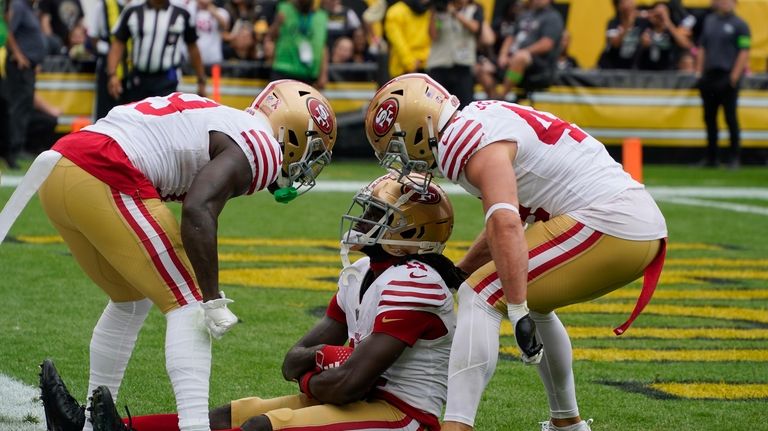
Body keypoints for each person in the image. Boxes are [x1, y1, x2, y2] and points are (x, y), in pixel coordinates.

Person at [7, 80, 337, 431]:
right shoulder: (263, 145)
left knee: (130, 299)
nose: (307, 165)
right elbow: (198, 209)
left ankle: (91, 424)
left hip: (61, 166)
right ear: (293, 133)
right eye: (312, 152)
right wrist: (211, 297)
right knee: (190, 303)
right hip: (104, 169)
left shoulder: (226, 119)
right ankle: (194, 426)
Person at [41, 172, 463, 431]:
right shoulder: (360, 275)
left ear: (409, 234)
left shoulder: (418, 281)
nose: (364, 220)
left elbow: (350, 383)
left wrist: (316, 370)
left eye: (377, 214)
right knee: (228, 415)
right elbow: (291, 360)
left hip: (402, 416)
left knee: (261, 426)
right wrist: (319, 366)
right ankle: (100, 429)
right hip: (354, 398)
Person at [364, 74, 668, 431]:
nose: (400, 161)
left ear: (418, 129)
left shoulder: (466, 142)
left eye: (396, 146)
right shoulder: (480, 117)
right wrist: (460, 269)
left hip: (610, 221)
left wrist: (515, 304)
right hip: (630, 222)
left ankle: (457, 426)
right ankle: (567, 424)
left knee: (479, 294)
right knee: (519, 298)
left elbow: (507, 223)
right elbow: (511, 218)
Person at [106, 0, 207, 104]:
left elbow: (193, 47)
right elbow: (118, 43)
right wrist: (112, 74)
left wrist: (201, 80)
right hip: (139, 77)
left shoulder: (181, 12)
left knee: (164, 116)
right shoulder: (133, 9)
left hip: (167, 78)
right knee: (137, 116)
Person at [695, 0, 750, 169]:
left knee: (730, 118)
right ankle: (712, 157)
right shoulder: (710, 21)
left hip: (727, 76)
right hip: (710, 76)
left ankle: (734, 157)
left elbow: (744, 51)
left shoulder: (741, 25)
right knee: (709, 119)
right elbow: (703, 47)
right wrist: (699, 71)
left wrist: (734, 76)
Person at [2, 0, 46, 170]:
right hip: (19, 66)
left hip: (29, 67)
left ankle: (19, 147)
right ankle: (12, 150)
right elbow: (9, 32)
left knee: (25, 107)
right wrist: (19, 55)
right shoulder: (19, 6)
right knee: (18, 108)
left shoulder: (29, 8)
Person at [496, 0, 563, 99]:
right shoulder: (525, 15)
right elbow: (510, 37)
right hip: (513, 58)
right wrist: (503, 54)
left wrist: (524, 51)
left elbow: (547, 44)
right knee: (482, 68)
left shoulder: (553, 17)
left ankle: (502, 96)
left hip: (538, 64)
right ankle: (489, 101)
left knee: (520, 58)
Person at [426, 0, 483, 108]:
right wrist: (434, 12)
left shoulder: (474, 9)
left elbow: (475, 27)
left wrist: (454, 13)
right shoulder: (440, 12)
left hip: (463, 66)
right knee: (435, 106)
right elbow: (433, 35)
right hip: (439, 65)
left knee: (465, 106)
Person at [268, 0, 329, 88]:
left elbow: (323, 46)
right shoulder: (284, 9)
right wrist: (277, 24)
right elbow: (270, 37)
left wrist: (323, 73)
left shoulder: (321, 16)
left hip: (309, 74)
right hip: (283, 71)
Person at [86, 0, 129, 121]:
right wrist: (107, 50)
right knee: (106, 112)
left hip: (132, 68)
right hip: (109, 66)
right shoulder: (103, 5)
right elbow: (93, 36)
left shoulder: (139, 6)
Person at [636, 2, 692, 71]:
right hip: (646, 72)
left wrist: (668, 22)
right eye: (657, 14)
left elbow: (686, 45)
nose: (660, 17)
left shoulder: (673, 31)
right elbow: (643, 42)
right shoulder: (645, 29)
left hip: (668, 72)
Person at [383, 0, 431, 78]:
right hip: (402, 71)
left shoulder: (429, 11)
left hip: (425, 68)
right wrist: (410, 64)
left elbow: (432, 39)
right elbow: (398, 43)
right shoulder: (395, 12)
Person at [597, 0, 647, 70]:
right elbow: (615, 43)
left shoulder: (641, 23)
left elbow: (646, 42)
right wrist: (629, 23)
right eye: (625, 1)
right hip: (610, 67)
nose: (630, 3)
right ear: (619, 6)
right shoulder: (613, 23)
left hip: (630, 67)